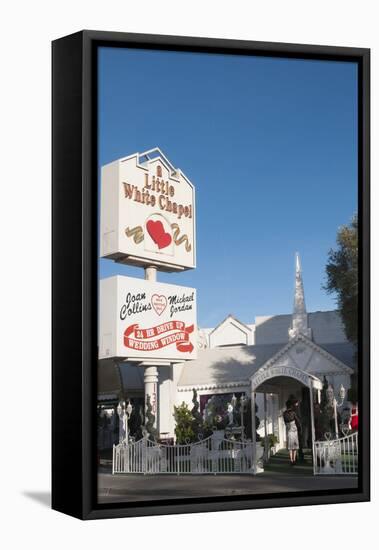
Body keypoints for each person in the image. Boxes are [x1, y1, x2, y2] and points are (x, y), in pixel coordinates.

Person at [283, 398, 301, 465]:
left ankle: (291, 460)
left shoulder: (284, 413)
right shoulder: (293, 412)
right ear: (290, 405)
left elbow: (285, 422)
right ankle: (294, 459)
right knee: (295, 445)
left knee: (290, 446)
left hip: (288, 429)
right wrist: (299, 427)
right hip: (294, 428)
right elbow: (297, 420)